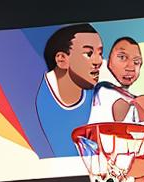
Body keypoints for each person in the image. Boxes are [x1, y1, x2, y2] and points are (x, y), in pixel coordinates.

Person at [36, 24, 103, 157]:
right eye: (88, 53)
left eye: (100, 53)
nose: (99, 60)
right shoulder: (34, 99)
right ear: (61, 60)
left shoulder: (101, 90)